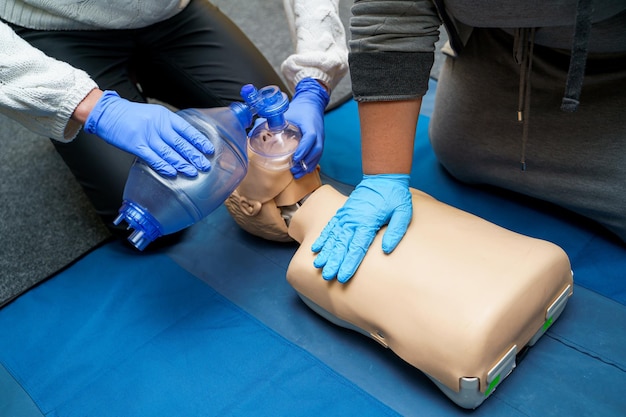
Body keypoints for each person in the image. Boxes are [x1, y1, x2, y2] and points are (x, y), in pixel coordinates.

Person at [312, 0, 626, 283]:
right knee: (459, 151)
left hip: (614, 70)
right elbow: (392, 9)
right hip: (500, 49)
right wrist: (382, 176)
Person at [0, 0, 347, 237]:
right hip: (54, 25)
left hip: (171, 14)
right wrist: (83, 105)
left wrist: (315, 79)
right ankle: (69, 105)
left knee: (276, 132)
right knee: (144, 216)